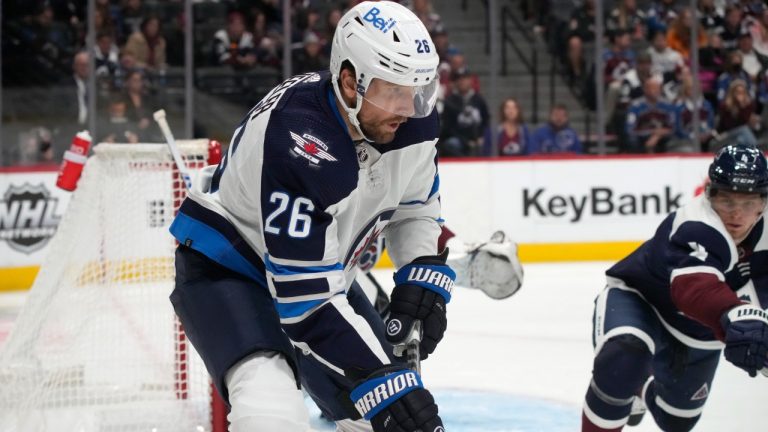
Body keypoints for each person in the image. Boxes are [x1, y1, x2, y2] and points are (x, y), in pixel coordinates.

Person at [168, 2, 450, 431]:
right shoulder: (298, 138)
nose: (408, 107)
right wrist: (389, 381)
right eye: (393, 90)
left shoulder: (409, 121)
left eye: (417, 89)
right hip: (232, 274)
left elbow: (415, 208)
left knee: (390, 424)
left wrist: (418, 272)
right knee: (272, 417)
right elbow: (307, 304)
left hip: (323, 277)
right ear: (350, 80)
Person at [581, 142, 768, 432]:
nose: (736, 214)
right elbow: (693, 289)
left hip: (702, 332)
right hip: (641, 301)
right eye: (727, 201)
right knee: (624, 358)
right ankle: (631, 379)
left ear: (764, 203)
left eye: (748, 203)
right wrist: (735, 313)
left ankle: (640, 388)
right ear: (710, 194)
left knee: (675, 422)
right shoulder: (697, 223)